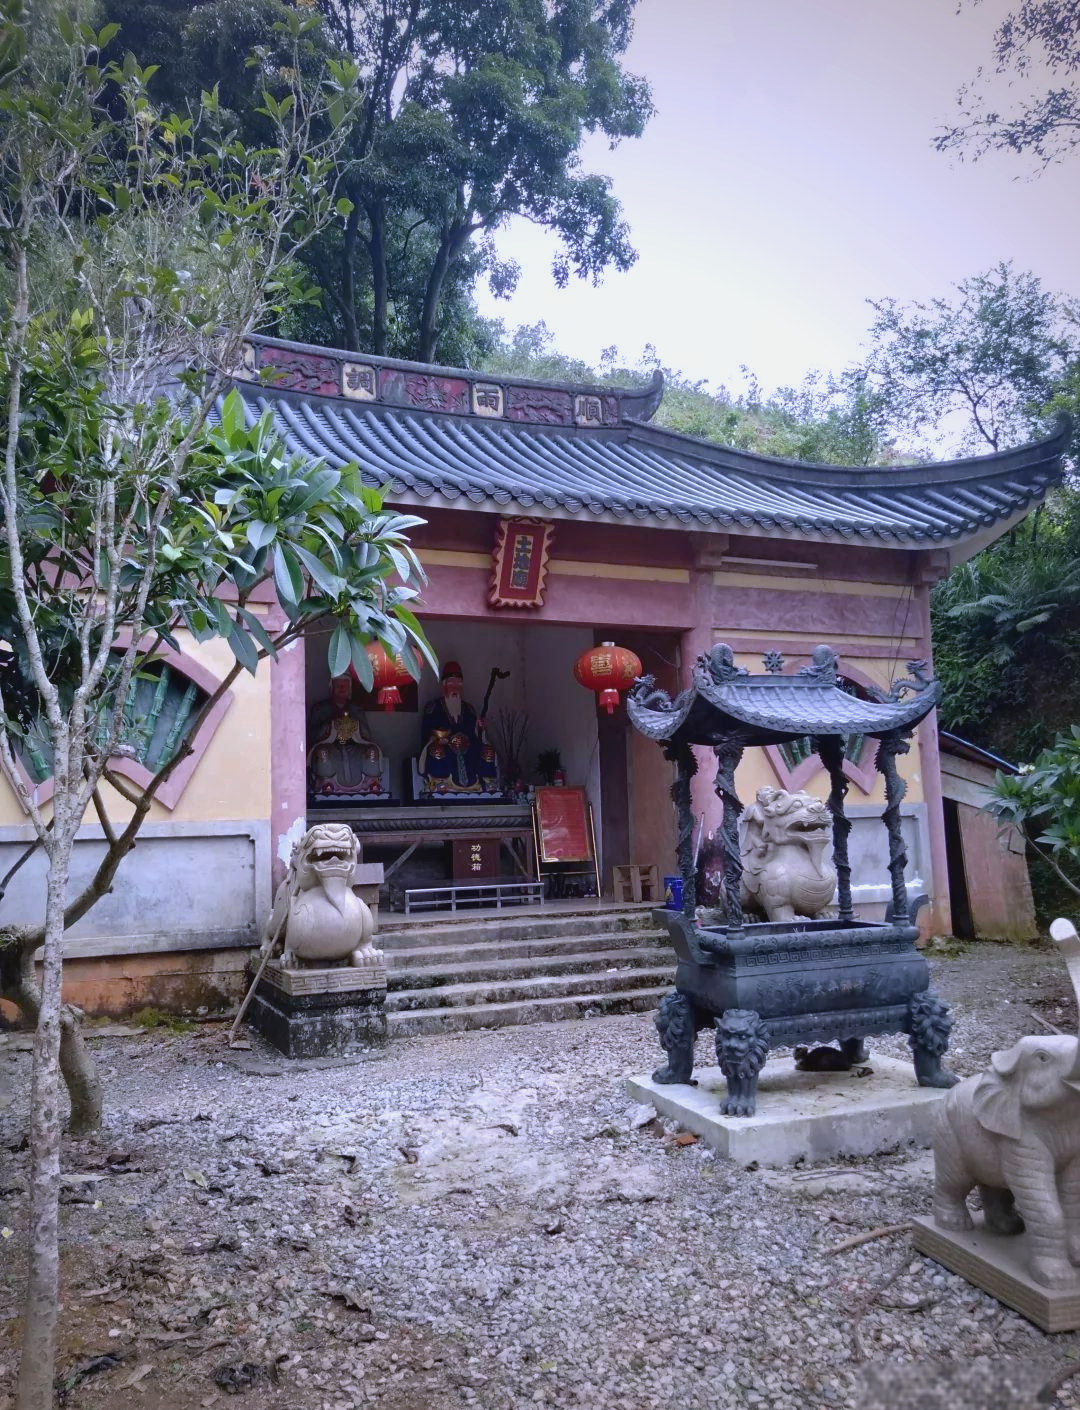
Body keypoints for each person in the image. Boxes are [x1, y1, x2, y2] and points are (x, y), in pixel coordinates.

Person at [418, 661, 498, 794]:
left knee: (488, 751)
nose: (455, 687)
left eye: (458, 683)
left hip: (468, 751)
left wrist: (480, 729)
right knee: (436, 751)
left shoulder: (469, 709)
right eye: (451, 683)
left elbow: (477, 736)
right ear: (444, 685)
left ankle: (486, 783)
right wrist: (438, 740)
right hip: (446, 749)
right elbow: (427, 733)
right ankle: (440, 783)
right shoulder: (433, 708)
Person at [307, 674, 386, 797]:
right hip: (331, 746)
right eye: (338, 685)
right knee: (322, 753)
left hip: (354, 747)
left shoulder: (356, 709)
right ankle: (327, 783)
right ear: (331, 688)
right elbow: (312, 735)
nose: (342, 689)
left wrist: (354, 725)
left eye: (345, 686)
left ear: (350, 689)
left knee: (372, 751)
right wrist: (331, 725)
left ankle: (371, 782)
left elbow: (367, 734)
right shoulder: (320, 709)